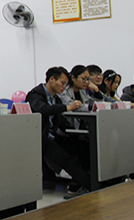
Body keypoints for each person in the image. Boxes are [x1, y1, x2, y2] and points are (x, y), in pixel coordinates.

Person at [26, 66, 91, 195]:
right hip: (41, 139)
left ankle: (78, 184)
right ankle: (94, 187)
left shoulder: (56, 98)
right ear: (52, 79)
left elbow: (61, 121)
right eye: (63, 83)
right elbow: (42, 109)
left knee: (85, 147)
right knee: (69, 162)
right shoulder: (36, 94)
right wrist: (67, 108)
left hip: (54, 137)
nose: (64, 87)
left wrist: (76, 134)